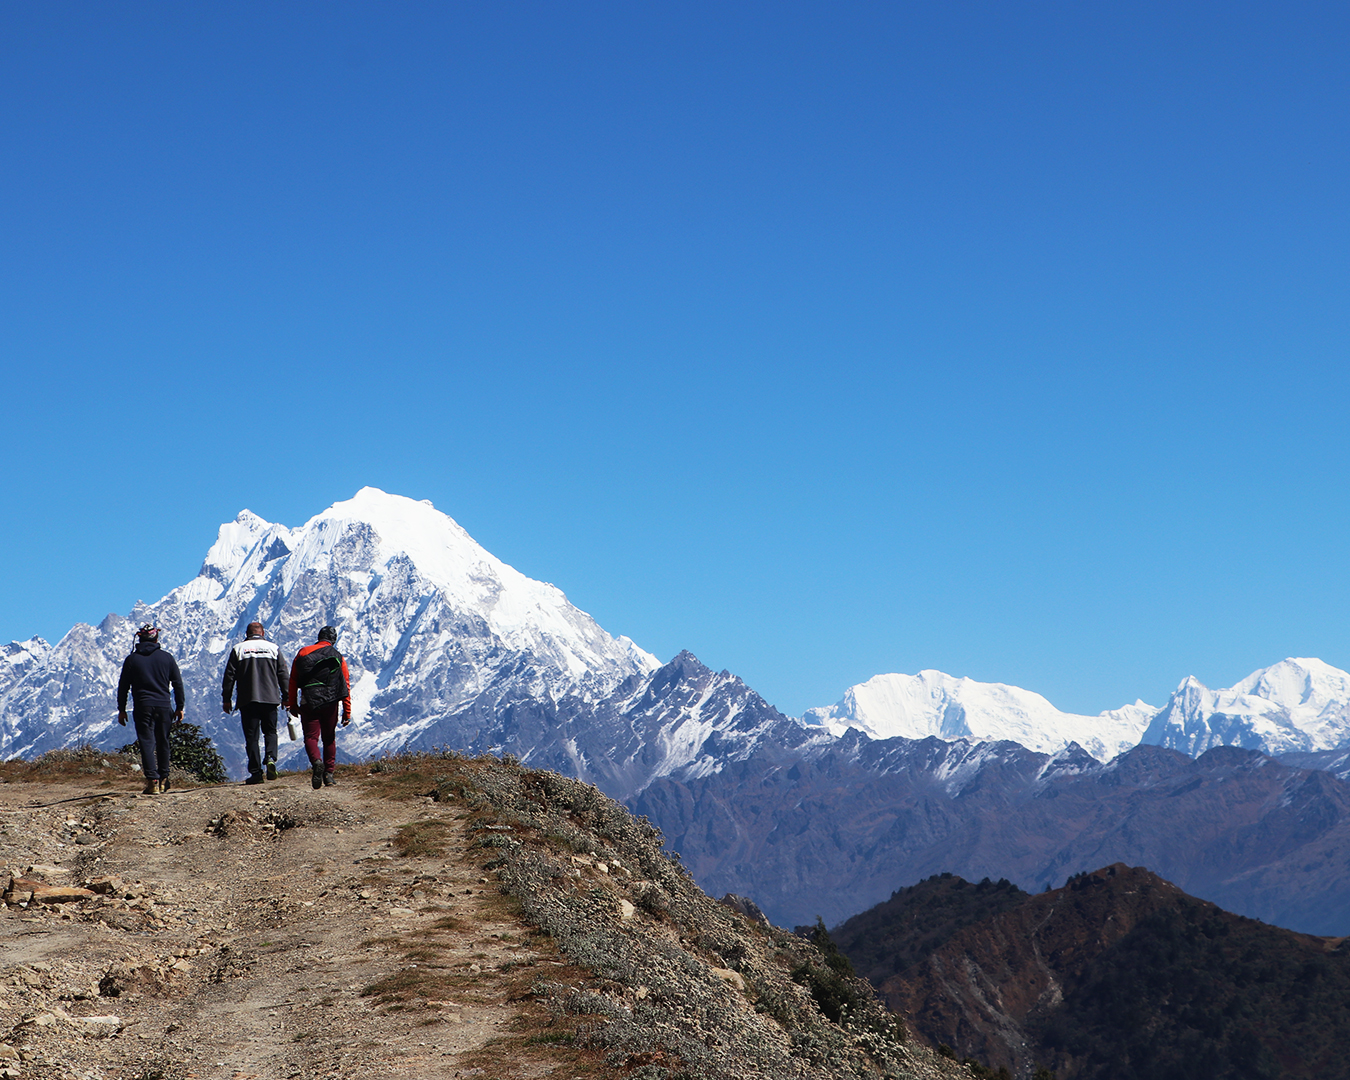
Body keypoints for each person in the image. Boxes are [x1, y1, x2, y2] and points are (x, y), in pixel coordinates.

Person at [117, 624, 186, 795]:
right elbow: (177, 683)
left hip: (143, 705)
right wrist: (180, 706)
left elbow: (123, 686)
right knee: (163, 741)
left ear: (139, 638)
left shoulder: (131, 660)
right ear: (156, 638)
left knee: (147, 742)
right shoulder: (167, 658)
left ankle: (152, 781)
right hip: (164, 705)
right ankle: (164, 779)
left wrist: (122, 709)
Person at [222, 621, 289, 785]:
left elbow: (229, 676)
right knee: (270, 732)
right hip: (271, 698)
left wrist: (226, 698)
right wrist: (287, 696)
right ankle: (271, 758)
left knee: (252, 737)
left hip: (247, 699)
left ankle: (256, 772)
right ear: (263, 633)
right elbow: (283, 674)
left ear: (246, 634)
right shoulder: (273, 648)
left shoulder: (239, 649)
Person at [287, 625, 351, 789]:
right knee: (329, 738)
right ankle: (329, 775)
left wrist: (292, 704)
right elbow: (345, 684)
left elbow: (293, 680)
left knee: (311, 737)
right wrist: (346, 711)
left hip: (308, 700)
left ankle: (316, 762)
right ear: (333, 640)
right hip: (331, 701)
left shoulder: (303, 652)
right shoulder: (337, 656)